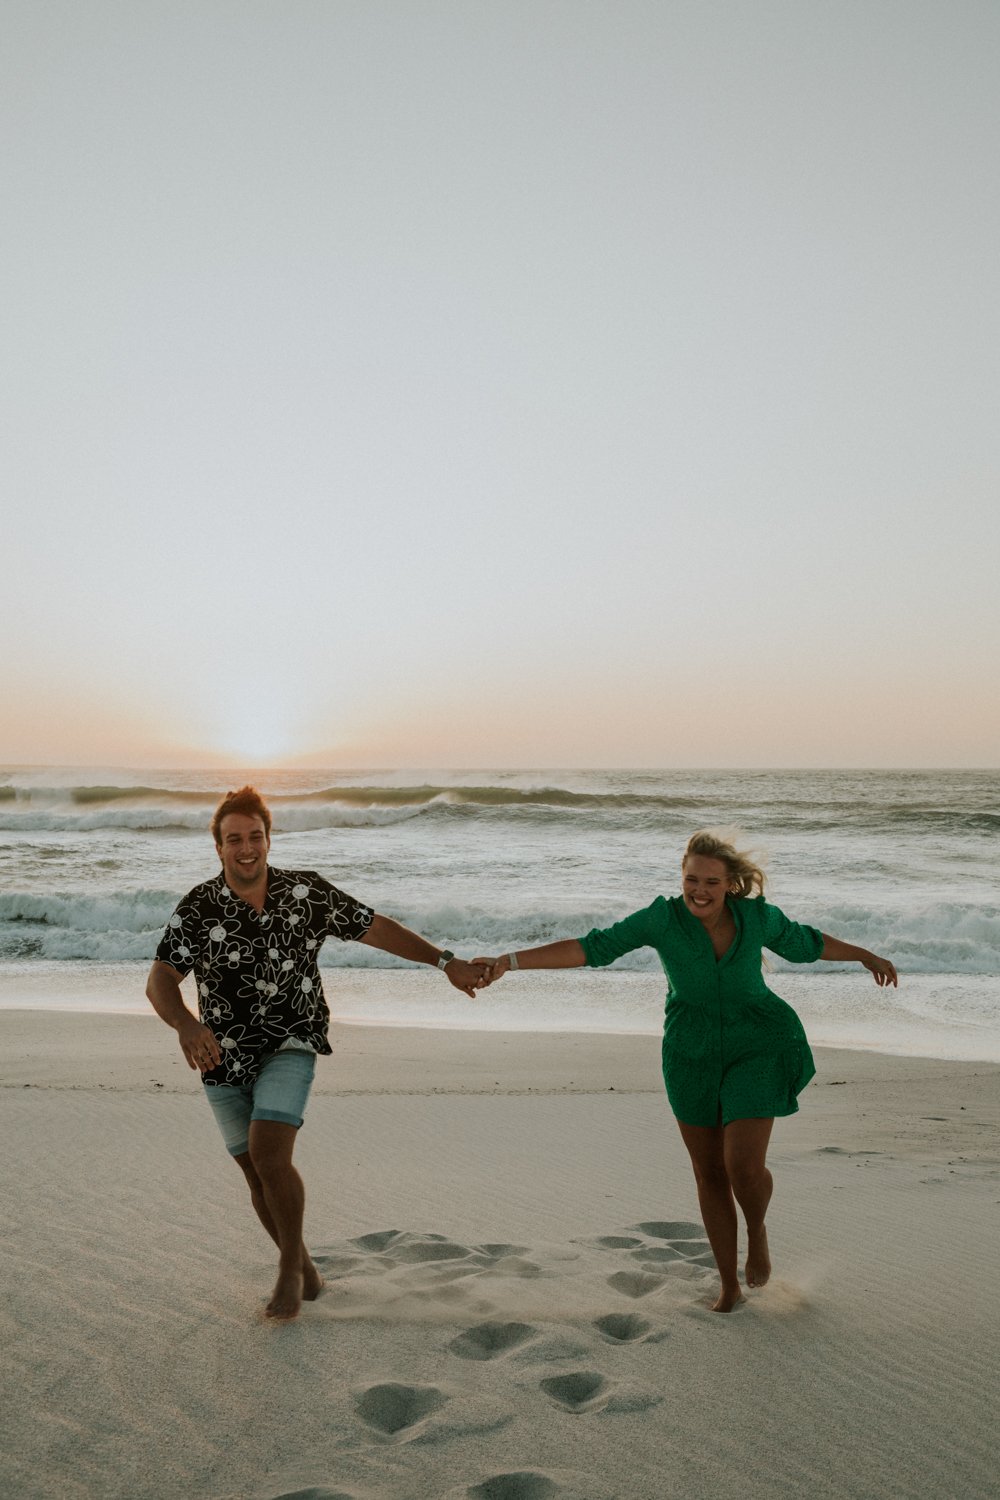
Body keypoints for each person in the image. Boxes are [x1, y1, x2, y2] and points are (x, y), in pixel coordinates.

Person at [476, 829, 897, 1312]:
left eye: (711, 882)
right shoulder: (661, 919)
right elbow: (593, 947)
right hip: (690, 1052)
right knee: (710, 1172)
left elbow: (809, 944)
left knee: (743, 1166)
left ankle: (756, 1232)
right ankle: (728, 1284)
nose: (699, 891)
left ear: (730, 884)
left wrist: (866, 955)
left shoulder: (757, 917)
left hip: (758, 1042)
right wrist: (509, 961)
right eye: (691, 880)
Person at [146, 784, 489, 1321]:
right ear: (218, 847)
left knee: (268, 1154)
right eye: (233, 838)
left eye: (255, 836)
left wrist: (445, 962)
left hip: (292, 1038)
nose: (245, 847)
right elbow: (161, 980)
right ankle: (306, 1268)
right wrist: (186, 1025)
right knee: (255, 1174)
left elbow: (376, 929)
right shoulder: (197, 907)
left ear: (268, 839)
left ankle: (286, 1272)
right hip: (220, 1055)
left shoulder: (305, 894)